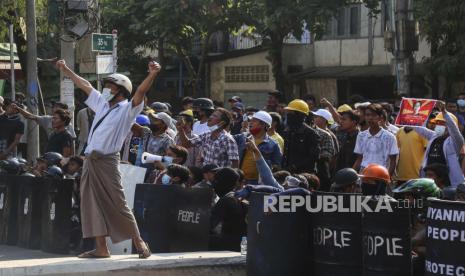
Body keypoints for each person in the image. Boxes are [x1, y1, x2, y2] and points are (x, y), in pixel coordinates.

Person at [56, 59, 159, 258]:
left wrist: (152, 74)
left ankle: (139, 242)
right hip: (90, 161)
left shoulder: (127, 109)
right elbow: (85, 85)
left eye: (110, 87)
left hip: (107, 161)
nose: (105, 89)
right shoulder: (103, 105)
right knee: (90, 203)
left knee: (118, 202)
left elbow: (140, 93)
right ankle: (101, 248)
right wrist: (66, 69)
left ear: (121, 91)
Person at [413, 101, 465, 187]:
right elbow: (419, 128)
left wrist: (444, 112)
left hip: (446, 182)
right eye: (437, 123)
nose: (438, 125)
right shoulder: (434, 136)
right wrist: (425, 110)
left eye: (441, 123)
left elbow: (454, 130)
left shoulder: (456, 141)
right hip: (430, 180)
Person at [234, 111, 282, 184]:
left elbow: (277, 167)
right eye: (251, 120)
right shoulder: (242, 138)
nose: (250, 123)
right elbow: (226, 138)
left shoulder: (273, 145)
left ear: (263, 125)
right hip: (239, 181)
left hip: (258, 184)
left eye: (254, 121)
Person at [353, 103, 399, 176]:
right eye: (367, 115)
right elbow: (359, 159)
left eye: (374, 115)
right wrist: (353, 174)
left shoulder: (390, 137)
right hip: (364, 175)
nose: (370, 118)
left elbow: (393, 161)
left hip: (381, 175)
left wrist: (387, 178)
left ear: (380, 117)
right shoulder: (361, 136)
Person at [209, 167, 247, 251]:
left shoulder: (226, 200)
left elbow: (210, 225)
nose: (214, 184)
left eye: (216, 180)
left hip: (230, 245)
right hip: (240, 242)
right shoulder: (238, 197)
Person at [282, 99, 320, 174]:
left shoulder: (311, 134)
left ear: (300, 115)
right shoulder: (287, 131)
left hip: (305, 175)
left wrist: (295, 167)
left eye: (291, 113)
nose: (289, 116)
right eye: (288, 113)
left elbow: (313, 157)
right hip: (288, 174)